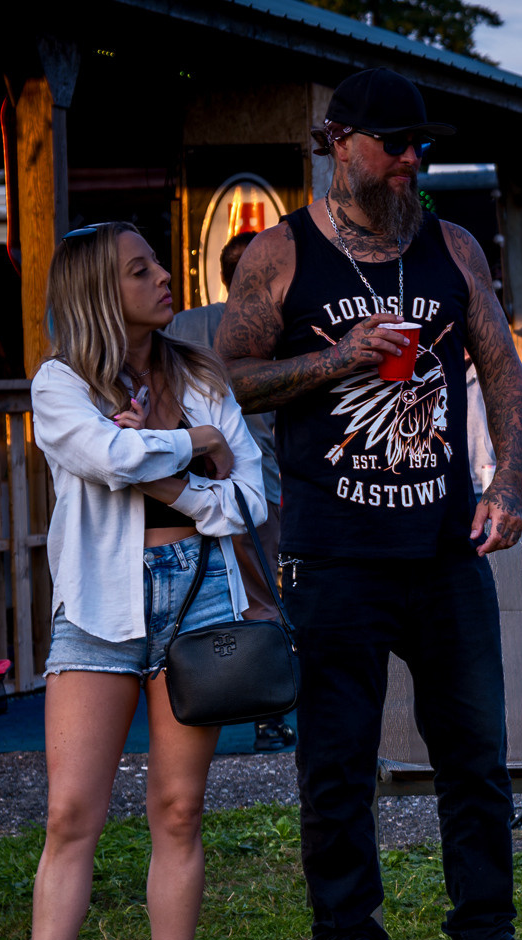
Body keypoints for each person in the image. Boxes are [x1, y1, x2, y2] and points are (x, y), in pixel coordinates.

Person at [218, 68, 522, 940]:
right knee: (337, 761)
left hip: (446, 545)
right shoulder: (281, 257)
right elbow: (231, 378)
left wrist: (503, 486)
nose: (415, 160)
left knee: (477, 754)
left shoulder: (451, 247)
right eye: (397, 144)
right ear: (340, 143)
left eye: (426, 146)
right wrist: (338, 358)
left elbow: (502, 370)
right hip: (334, 551)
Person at [0, 225, 267, 940]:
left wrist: (172, 480)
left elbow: (251, 496)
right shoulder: (59, 383)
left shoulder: (201, 374)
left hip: (199, 597)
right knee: (70, 814)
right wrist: (193, 446)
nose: (162, 278)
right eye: (139, 269)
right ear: (95, 289)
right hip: (100, 607)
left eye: (157, 263)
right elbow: (103, 455)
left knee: (178, 810)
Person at [169, 229, 293, 755]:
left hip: (179, 489)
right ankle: (266, 715)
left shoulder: (180, 326)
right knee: (260, 595)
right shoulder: (278, 332)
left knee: (193, 600)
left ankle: (192, 703)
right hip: (251, 488)